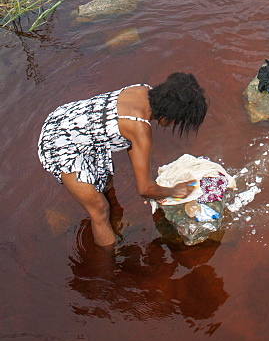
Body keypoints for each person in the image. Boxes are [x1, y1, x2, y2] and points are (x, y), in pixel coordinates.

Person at [38, 72, 208, 247]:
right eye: (178, 121)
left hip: (70, 119)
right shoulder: (140, 130)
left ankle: (116, 222)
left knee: (105, 183)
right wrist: (174, 191)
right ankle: (108, 268)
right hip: (61, 143)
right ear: (167, 117)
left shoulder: (143, 90)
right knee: (100, 211)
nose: (175, 125)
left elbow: (128, 140)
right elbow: (144, 189)